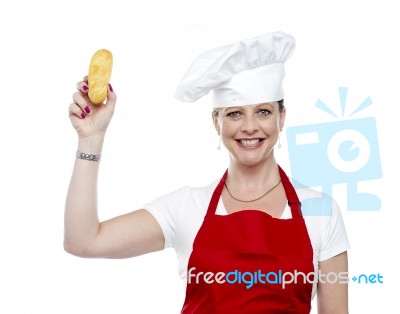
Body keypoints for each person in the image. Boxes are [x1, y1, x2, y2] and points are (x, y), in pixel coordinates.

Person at [65, 32, 350, 313]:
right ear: (216, 122)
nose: (249, 126)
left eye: (263, 112)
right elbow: (84, 241)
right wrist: (91, 139)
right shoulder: (186, 207)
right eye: (234, 113)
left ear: (281, 118)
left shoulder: (321, 212)